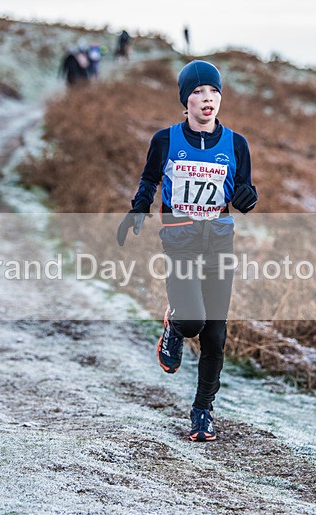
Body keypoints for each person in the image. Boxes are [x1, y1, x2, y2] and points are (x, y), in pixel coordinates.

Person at [117, 60, 258, 441]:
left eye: (213, 91)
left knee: (215, 334)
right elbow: (150, 178)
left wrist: (249, 198)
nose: (207, 98)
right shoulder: (165, 140)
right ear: (186, 101)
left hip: (219, 242)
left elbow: (243, 194)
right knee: (193, 320)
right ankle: (175, 325)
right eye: (197, 92)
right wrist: (138, 207)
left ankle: (202, 412)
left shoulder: (236, 144)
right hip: (180, 240)